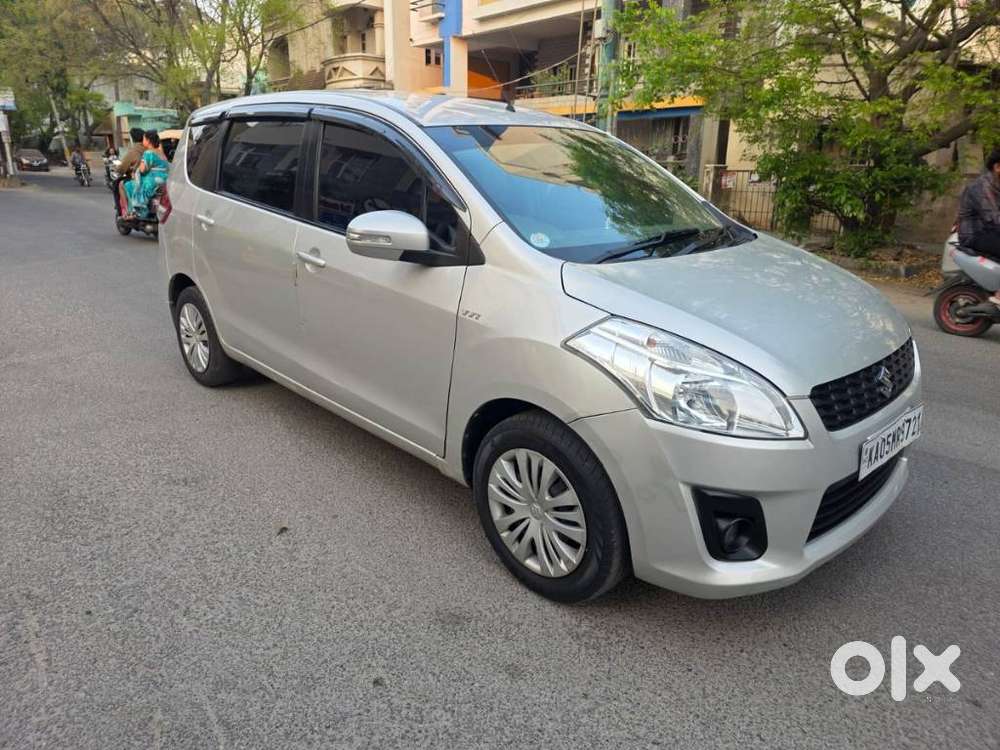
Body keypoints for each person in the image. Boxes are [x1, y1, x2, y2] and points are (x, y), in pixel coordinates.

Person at [957, 147, 1000, 305]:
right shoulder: (981, 188)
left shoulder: (997, 185)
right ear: (997, 167)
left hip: (991, 232)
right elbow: (994, 219)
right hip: (975, 235)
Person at [124, 130, 169, 218]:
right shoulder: (161, 152)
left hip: (152, 181)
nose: (143, 141)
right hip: (164, 179)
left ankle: (135, 211)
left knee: (128, 185)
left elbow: (142, 170)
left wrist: (135, 171)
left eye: (144, 139)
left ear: (148, 141)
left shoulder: (148, 153)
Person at [117, 127, 147, 213]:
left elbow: (121, 169)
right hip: (153, 179)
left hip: (140, 180)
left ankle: (127, 211)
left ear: (132, 138)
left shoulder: (133, 151)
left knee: (121, 184)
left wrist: (120, 169)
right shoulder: (151, 149)